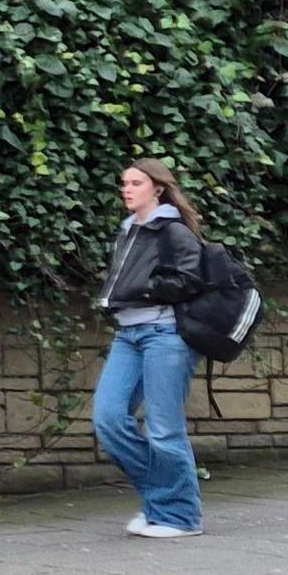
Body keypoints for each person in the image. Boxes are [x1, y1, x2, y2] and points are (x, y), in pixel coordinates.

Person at [94, 159, 208, 538]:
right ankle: (163, 501)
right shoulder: (128, 230)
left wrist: (144, 288)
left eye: (136, 183)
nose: (127, 189)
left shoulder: (172, 230)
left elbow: (189, 279)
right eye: (124, 182)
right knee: (108, 419)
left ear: (157, 188)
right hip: (128, 334)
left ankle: (181, 517)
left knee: (163, 429)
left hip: (165, 335)